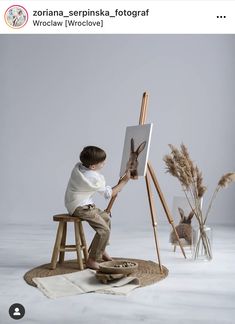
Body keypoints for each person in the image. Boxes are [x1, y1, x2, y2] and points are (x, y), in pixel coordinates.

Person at [65, 146, 131, 270]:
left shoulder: (80, 167)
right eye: (102, 162)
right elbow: (109, 193)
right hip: (80, 207)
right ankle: (91, 260)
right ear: (93, 166)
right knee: (104, 230)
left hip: (79, 203)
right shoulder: (92, 177)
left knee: (106, 218)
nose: (104, 163)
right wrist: (125, 181)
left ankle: (101, 249)